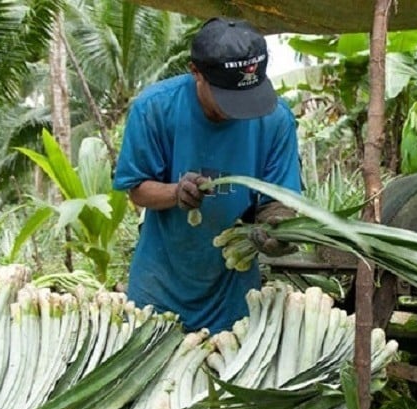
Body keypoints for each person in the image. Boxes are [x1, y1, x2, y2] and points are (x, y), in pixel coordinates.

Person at [112, 17, 302, 333]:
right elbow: (137, 189)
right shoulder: (155, 108)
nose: (240, 110)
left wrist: (280, 230)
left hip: (234, 291)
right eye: (229, 97)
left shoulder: (275, 120)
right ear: (195, 72)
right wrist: (175, 193)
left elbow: (278, 200)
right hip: (159, 284)